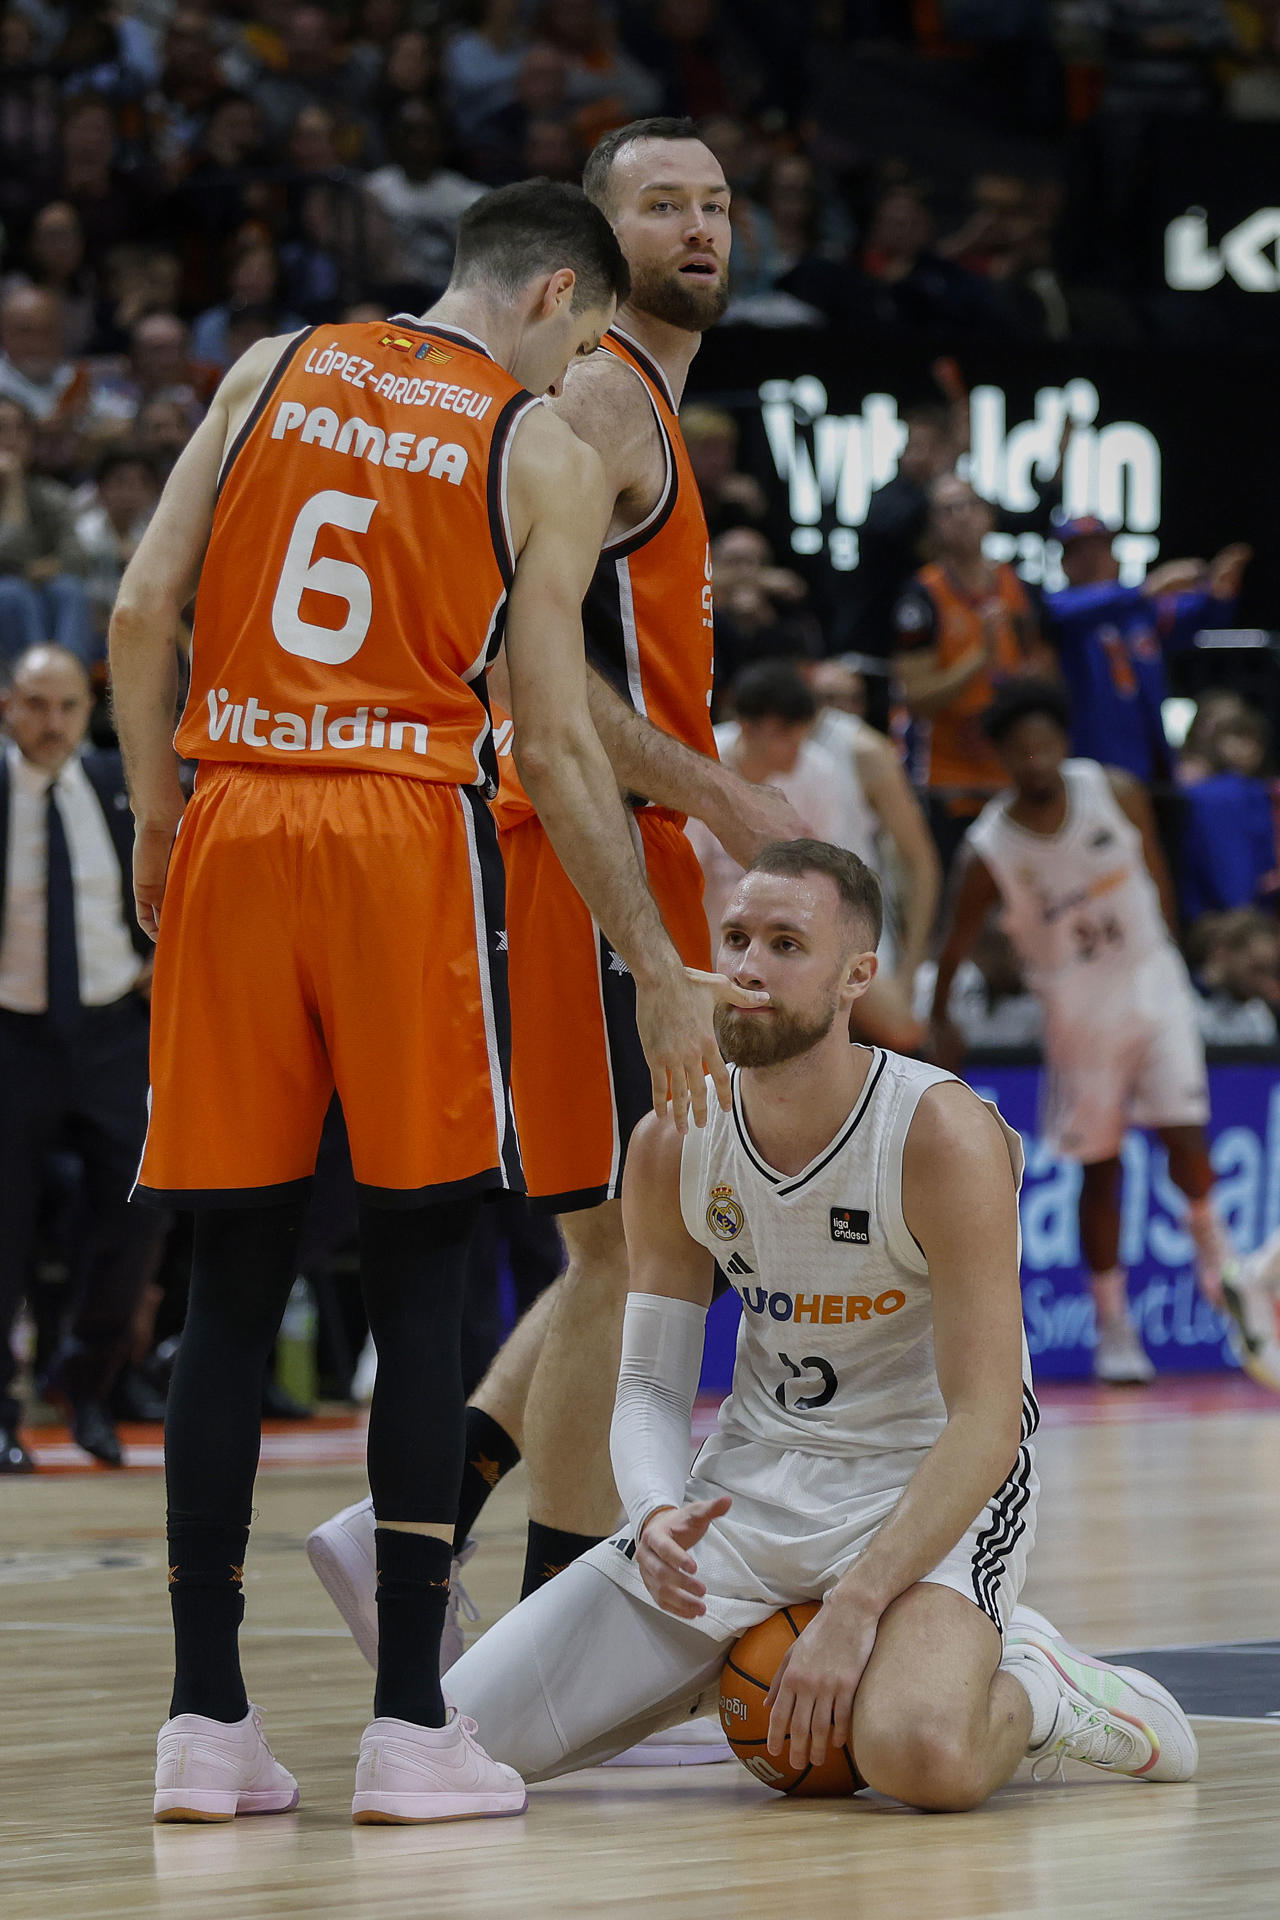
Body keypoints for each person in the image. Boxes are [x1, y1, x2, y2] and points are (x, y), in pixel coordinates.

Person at [110, 178, 756, 1826]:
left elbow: (135, 613)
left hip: (236, 811)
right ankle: (409, 1727)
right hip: (404, 839)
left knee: (234, 1278)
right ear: (553, 301)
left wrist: (154, 815)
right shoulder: (532, 446)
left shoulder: (269, 364)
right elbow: (548, 739)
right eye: (585, 341)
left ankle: (204, 1723)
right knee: (422, 1275)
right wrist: (663, 963)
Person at [308, 116, 800, 1763]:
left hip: (617, 856)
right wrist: (724, 797)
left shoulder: (647, 400)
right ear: (592, 244)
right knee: (623, 1250)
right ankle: (538, 1647)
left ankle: (429, 1529)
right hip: (578, 852)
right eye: (664, 204)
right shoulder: (593, 395)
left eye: (719, 203)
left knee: (633, 1241)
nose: (702, 226)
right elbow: (546, 686)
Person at [442, 839, 1198, 1801]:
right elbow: (650, 1385)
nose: (748, 967)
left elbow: (987, 1422)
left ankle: (1046, 1689)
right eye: (737, 938)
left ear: (856, 978)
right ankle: (718, 1656)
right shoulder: (675, 1136)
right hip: (753, 1488)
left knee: (919, 1756)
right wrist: (655, 1512)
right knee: (453, 1739)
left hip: (922, 1487)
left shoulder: (940, 1134)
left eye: (786, 944)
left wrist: (856, 1605)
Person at [929, 680, 1238, 1386]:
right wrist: (941, 1013)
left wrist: (1172, 950)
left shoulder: (1116, 791)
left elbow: (1156, 869)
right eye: (1020, 749)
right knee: (1101, 1170)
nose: (1035, 758)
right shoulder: (988, 849)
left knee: (1185, 1132)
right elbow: (955, 939)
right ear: (1002, 757)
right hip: (1075, 1005)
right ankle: (1114, 1329)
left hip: (1150, 977)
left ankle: (1219, 1264)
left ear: (1063, 744)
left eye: (1045, 744)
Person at [0, 645, 158, 1474]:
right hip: (12, 1033)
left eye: (65, 705)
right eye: (35, 705)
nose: (51, 722)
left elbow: (176, 869)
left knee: (139, 1210)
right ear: (7, 707)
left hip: (110, 1030)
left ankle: (87, 1385)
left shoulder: (114, 783)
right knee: (7, 1229)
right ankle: (1, 1414)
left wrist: (162, 959)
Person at [692, 658, 930, 1050]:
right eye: (785, 735)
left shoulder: (818, 772)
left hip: (795, 942)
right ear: (747, 728)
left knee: (901, 1029)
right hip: (718, 948)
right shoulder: (703, 764)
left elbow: (828, 879)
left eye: (803, 734)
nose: (797, 748)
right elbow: (684, 880)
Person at [893, 473, 1050, 866]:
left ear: (989, 517)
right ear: (934, 526)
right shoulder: (921, 597)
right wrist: (980, 658)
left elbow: (1042, 676)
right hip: (945, 783)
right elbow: (917, 698)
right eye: (948, 509)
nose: (961, 516)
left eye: (970, 505)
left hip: (1012, 780)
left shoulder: (1019, 588)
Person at [1045, 515, 1250, 783]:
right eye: (1081, 552)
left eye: (1100, 550)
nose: (1093, 560)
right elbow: (1073, 612)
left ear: (1115, 557)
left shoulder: (1140, 614)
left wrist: (1218, 593)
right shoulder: (1060, 610)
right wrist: (1146, 588)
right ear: (1064, 563)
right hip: (1088, 759)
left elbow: (1197, 615)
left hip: (1146, 758)